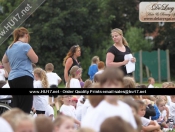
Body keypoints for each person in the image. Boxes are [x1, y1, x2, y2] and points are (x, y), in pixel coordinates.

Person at [2, 27, 38, 114]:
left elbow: (4, 61)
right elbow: (35, 60)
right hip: (24, 77)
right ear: (26, 35)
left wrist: (11, 71)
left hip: (12, 79)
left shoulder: (10, 47)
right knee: (26, 105)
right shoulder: (25, 46)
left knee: (16, 104)